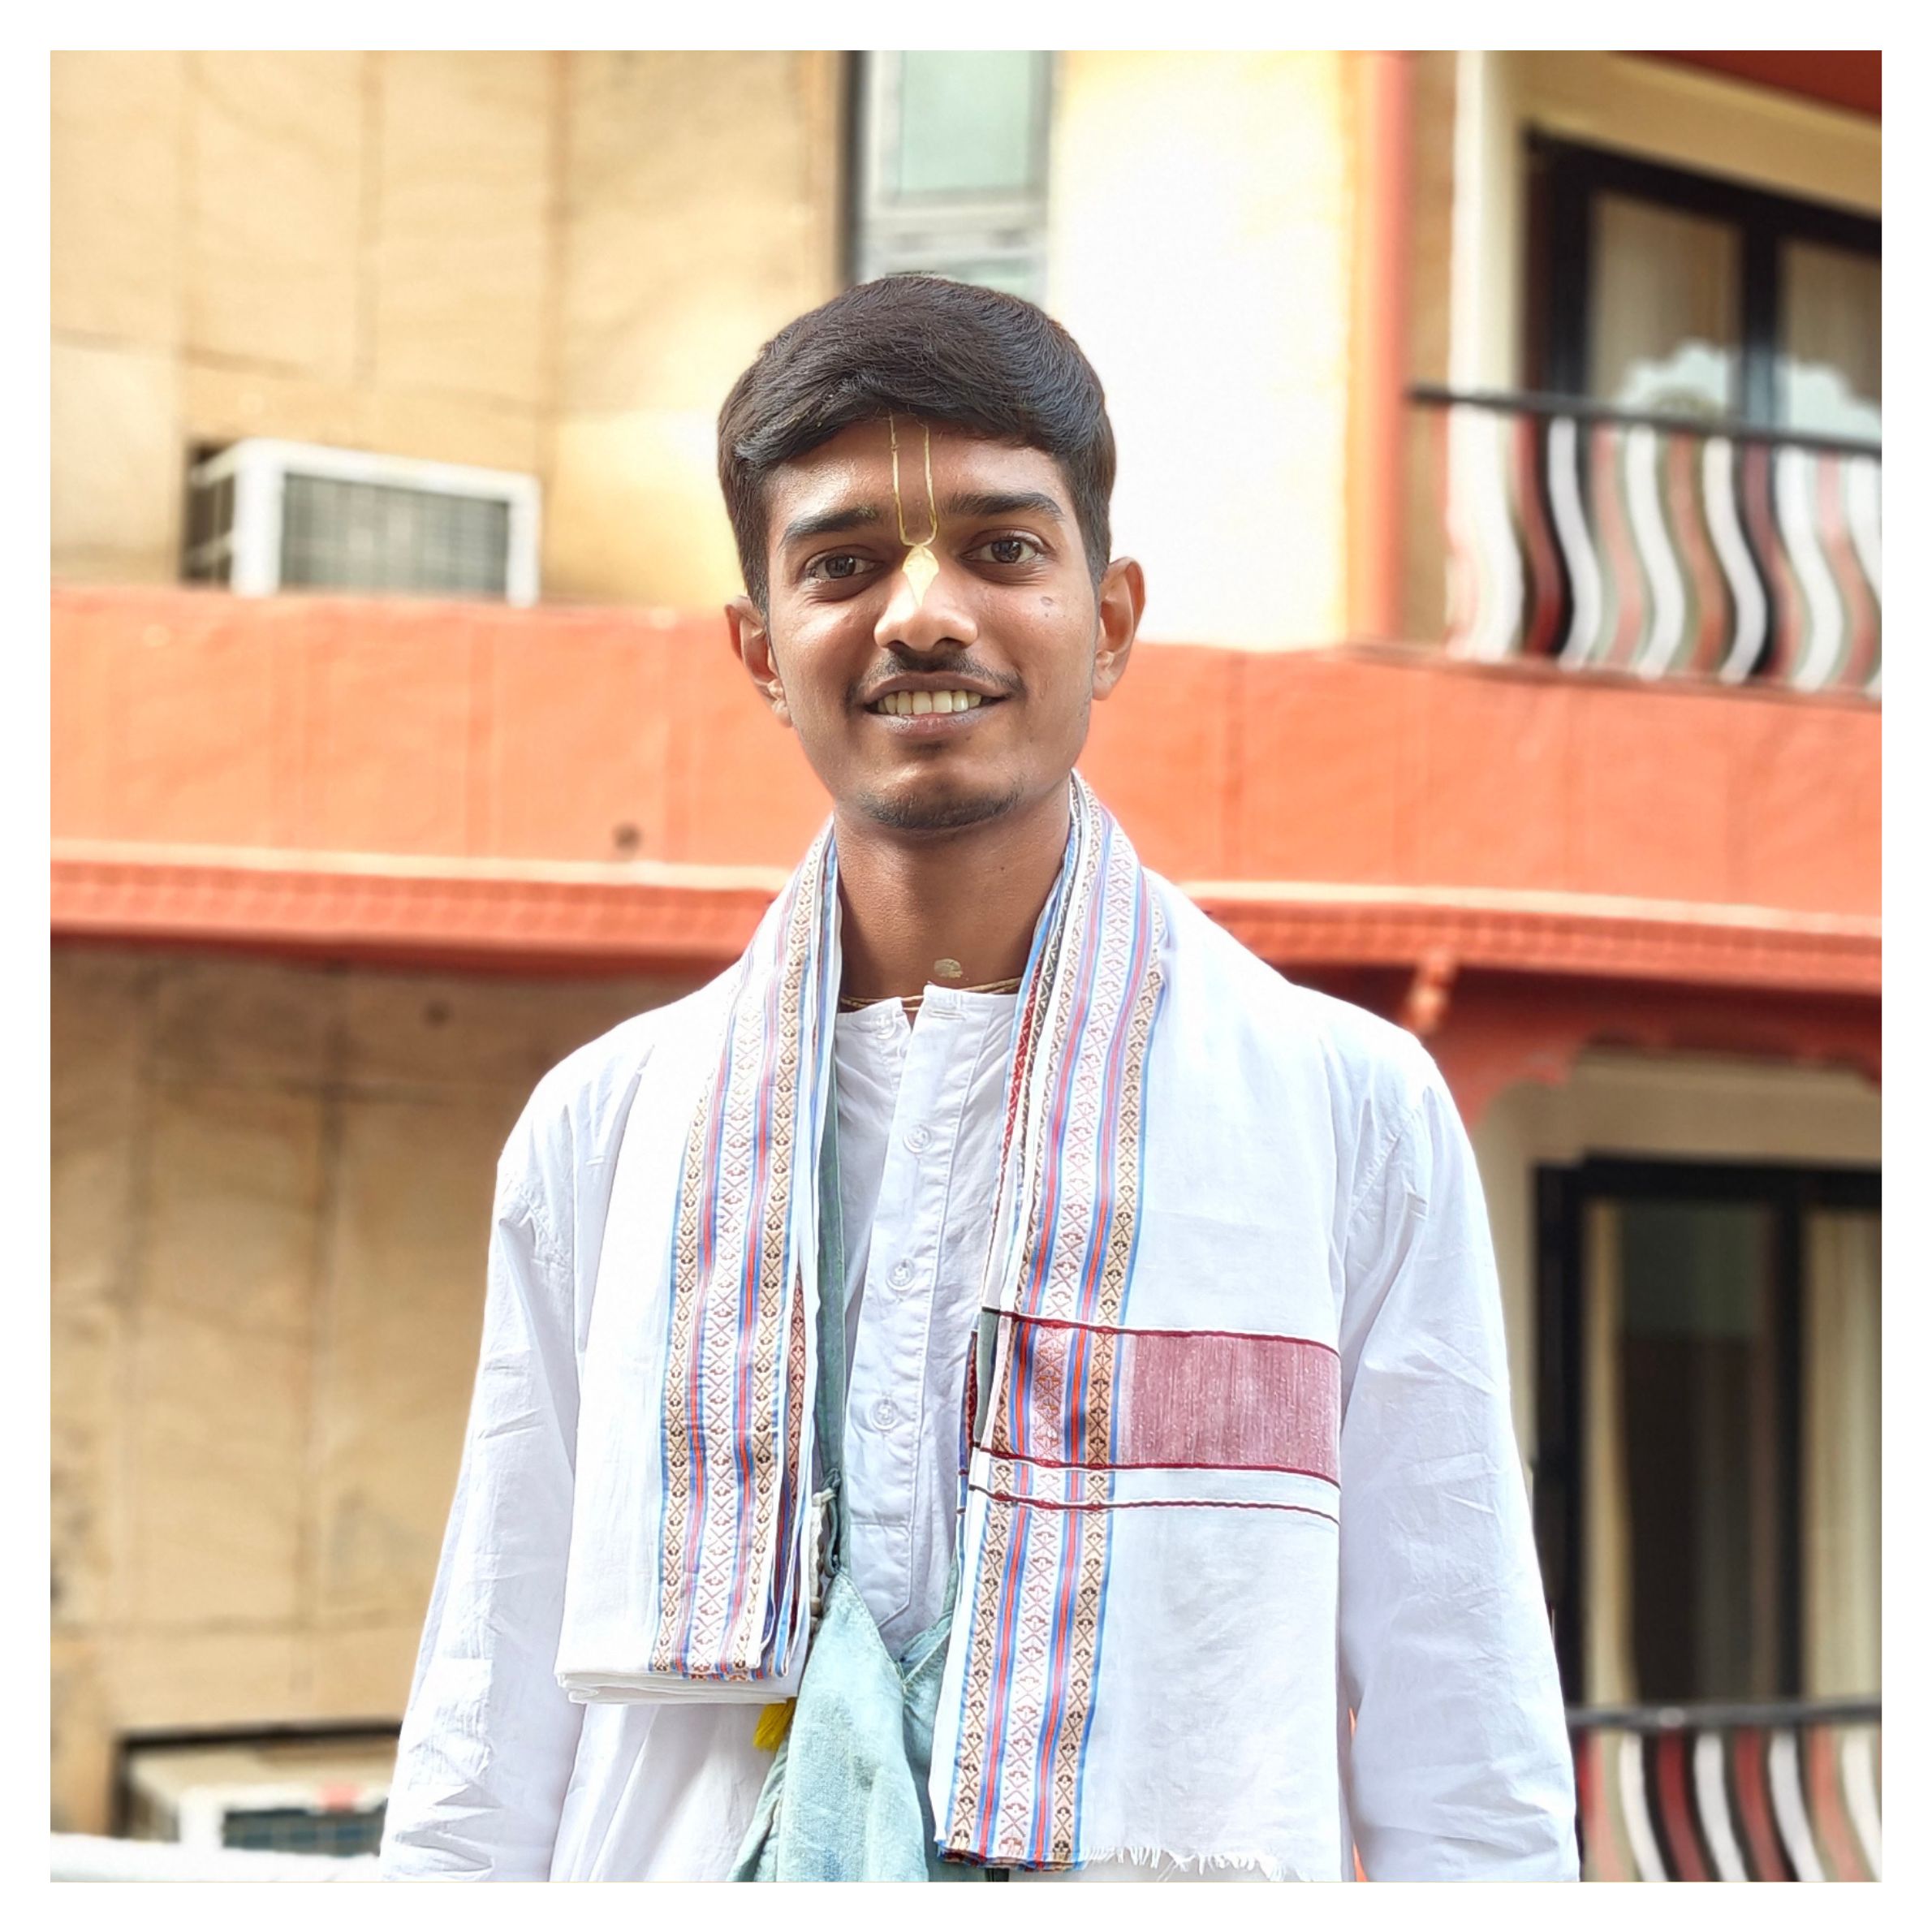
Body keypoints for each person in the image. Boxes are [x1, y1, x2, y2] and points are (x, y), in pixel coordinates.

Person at [379, 275, 1578, 1882]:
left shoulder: (1344, 1111)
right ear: (759, 648)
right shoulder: (605, 1129)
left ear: (1112, 619)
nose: (923, 615)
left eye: (1003, 549)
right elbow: (481, 1738)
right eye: (842, 563)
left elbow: (1467, 1753)